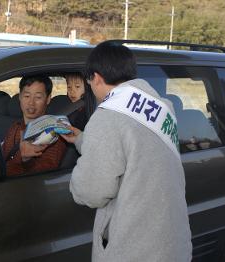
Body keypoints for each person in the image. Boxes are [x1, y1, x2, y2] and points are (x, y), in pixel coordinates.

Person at [61, 41, 192, 261]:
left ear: (97, 78)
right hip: (173, 242)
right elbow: (136, 147)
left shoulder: (108, 115)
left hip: (135, 249)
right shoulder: (163, 107)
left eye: (88, 82)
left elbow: (91, 191)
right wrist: (83, 139)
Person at [2, 75, 66, 176]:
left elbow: (44, 175)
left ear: (48, 99)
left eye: (38, 97)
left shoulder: (54, 132)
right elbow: (2, 160)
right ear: (20, 97)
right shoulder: (15, 127)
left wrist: (24, 159)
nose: (31, 103)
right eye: (27, 96)